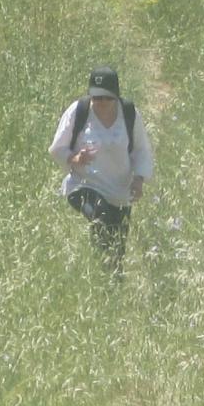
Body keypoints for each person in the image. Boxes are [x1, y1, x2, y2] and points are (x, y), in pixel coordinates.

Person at [49, 65, 152, 270]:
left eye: (107, 98)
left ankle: (109, 282)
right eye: (96, 98)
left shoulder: (129, 113)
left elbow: (141, 150)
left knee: (116, 251)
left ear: (116, 96)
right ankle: (97, 268)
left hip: (120, 194)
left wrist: (139, 180)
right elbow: (56, 148)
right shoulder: (79, 111)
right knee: (100, 218)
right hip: (83, 186)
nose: (101, 103)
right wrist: (75, 158)